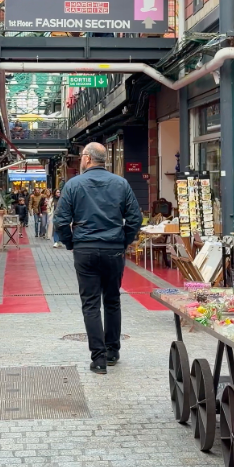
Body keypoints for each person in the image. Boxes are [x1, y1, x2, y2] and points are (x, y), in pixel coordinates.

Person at [54, 142, 142, 374]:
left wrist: (71, 242)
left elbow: (61, 220)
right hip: (113, 248)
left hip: (85, 249)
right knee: (112, 300)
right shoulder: (121, 184)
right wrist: (123, 241)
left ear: (88, 159)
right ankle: (113, 351)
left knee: (90, 303)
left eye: (83, 156)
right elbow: (135, 218)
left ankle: (99, 359)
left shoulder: (73, 185)